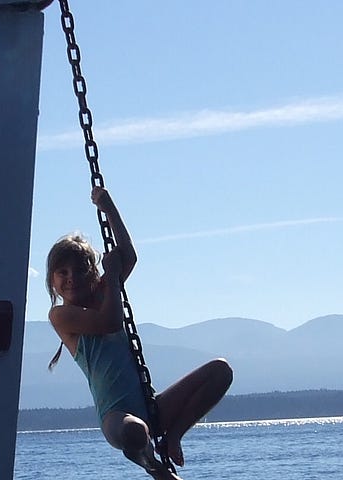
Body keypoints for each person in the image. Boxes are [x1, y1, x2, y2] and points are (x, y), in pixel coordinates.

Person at [46, 186, 234, 479]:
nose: (72, 278)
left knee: (221, 371)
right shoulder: (61, 315)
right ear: (53, 281)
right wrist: (114, 277)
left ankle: (173, 436)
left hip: (151, 407)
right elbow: (110, 322)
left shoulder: (104, 293)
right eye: (63, 273)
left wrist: (109, 208)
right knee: (135, 431)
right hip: (116, 417)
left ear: (91, 274)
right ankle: (152, 465)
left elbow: (129, 257)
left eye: (80, 271)